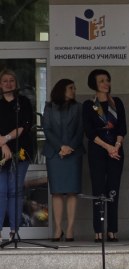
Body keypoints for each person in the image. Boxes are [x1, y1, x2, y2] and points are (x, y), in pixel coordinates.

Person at [83, 68, 127, 243]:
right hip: (98, 150)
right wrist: (107, 147)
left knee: (113, 189)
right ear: (94, 84)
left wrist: (116, 146)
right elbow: (89, 131)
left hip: (116, 150)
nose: (106, 83)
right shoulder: (89, 105)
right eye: (101, 81)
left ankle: (113, 229)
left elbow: (122, 128)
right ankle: (98, 230)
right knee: (98, 190)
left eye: (107, 80)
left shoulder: (116, 103)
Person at [42, 78, 83, 242]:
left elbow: (80, 130)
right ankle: (58, 228)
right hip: (54, 154)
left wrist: (69, 147)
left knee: (72, 191)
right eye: (71, 88)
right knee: (57, 192)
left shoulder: (78, 107)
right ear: (62, 90)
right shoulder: (49, 107)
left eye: (74, 88)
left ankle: (70, 228)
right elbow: (46, 129)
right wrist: (60, 147)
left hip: (73, 153)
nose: (74, 91)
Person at [0, 69, 34, 243]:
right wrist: (3, 145)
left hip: (20, 152)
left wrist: (6, 138)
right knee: (1, 191)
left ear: (16, 83)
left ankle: (14, 230)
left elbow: (24, 126)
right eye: (5, 81)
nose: (8, 84)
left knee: (15, 191)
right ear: (0, 84)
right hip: (1, 151)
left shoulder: (23, 102)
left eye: (11, 80)